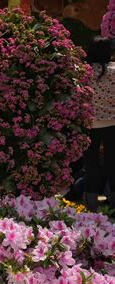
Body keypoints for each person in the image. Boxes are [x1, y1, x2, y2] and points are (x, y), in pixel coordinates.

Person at [84, 36, 115, 211]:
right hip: (113, 123)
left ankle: (91, 204)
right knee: (113, 163)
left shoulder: (84, 71)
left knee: (91, 165)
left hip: (91, 124)